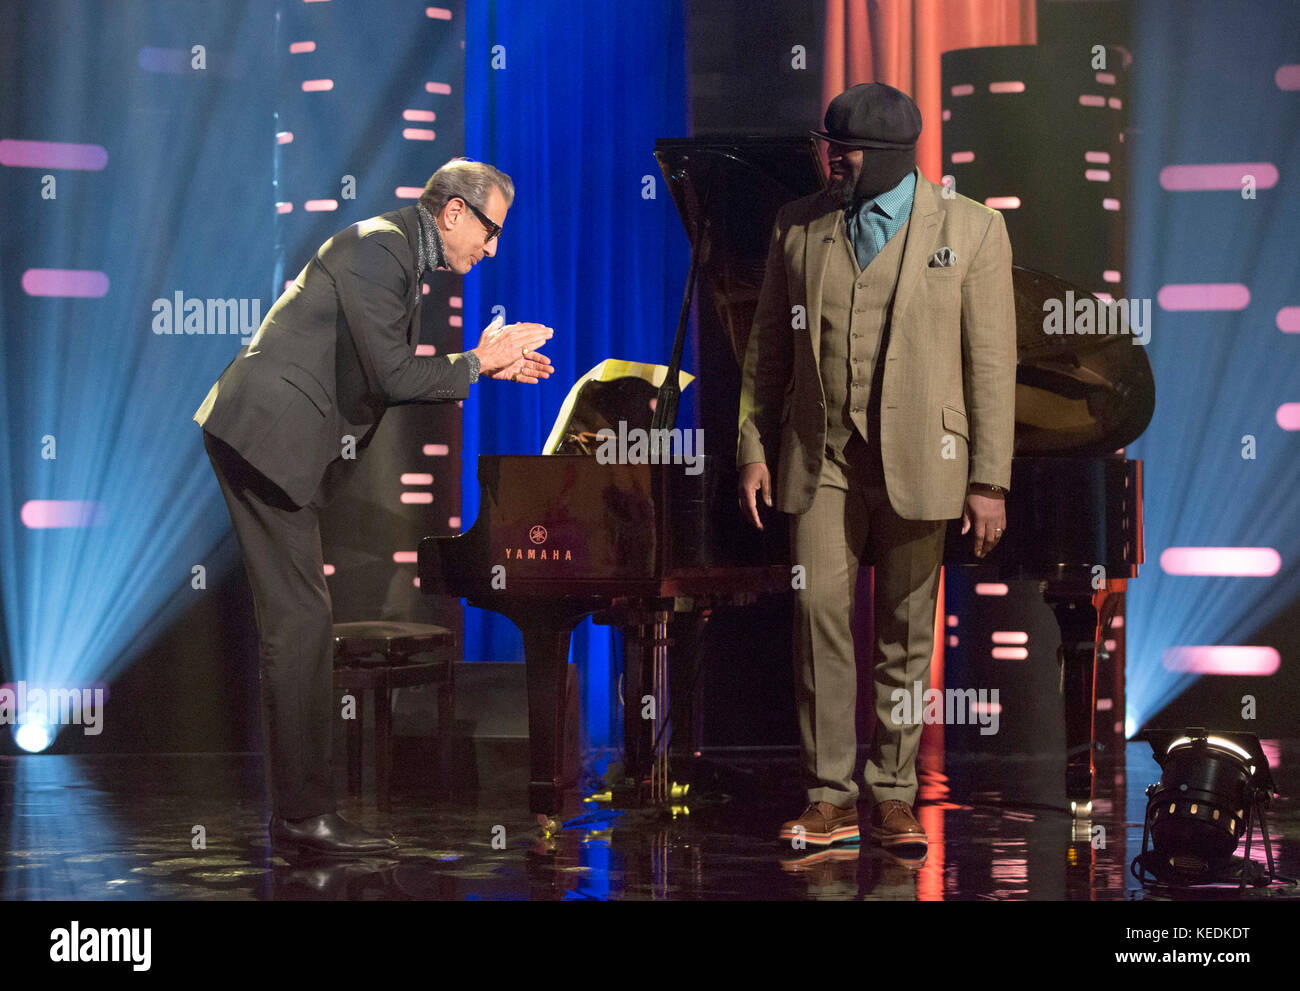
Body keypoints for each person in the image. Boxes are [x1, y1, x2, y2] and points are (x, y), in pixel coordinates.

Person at [194, 159, 554, 857]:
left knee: (298, 625)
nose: (492, 248)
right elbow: (392, 373)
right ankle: (303, 821)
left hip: (270, 443)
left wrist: (478, 366)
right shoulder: (378, 247)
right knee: (299, 628)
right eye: (490, 230)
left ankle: (301, 817)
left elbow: (391, 374)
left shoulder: (393, 253)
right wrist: (479, 361)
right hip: (263, 438)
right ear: (454, 213)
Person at [737, 83, 1016, 853]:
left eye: (845, 149)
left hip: (926, 460)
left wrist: (989, 479)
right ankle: (829, 798)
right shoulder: (799, 226)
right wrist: (753, 446)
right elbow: (765, 349)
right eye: (830, 145)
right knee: (818, 616)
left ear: (888, 157)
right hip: (819, 458)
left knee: (903, 632)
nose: (832, 158)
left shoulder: (973, 229)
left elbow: (992, 363)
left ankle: (892, 793)